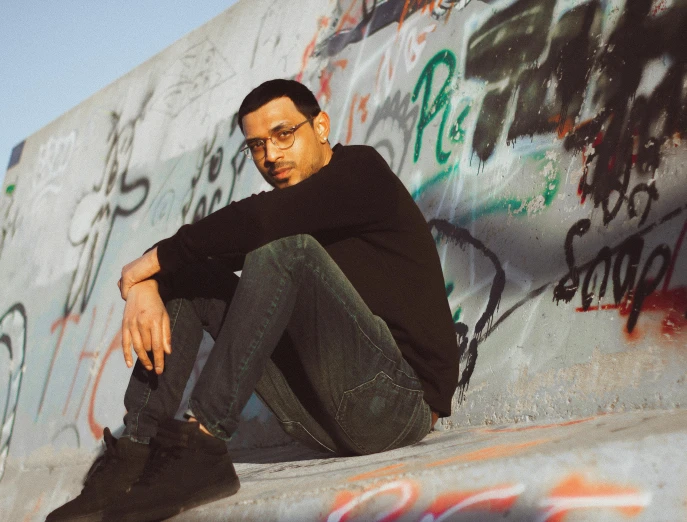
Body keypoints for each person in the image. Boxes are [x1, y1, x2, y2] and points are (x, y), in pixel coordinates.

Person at [47, 79, 458, 522]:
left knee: (286, 248)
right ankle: (133, 454)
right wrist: (148, 280)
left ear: (320, 126)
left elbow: (260, 222)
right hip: (319, 420)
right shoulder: (292, 206)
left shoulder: (362, 172)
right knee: (190, 274)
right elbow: (203, 247)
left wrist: (152, 263)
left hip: (397, 409)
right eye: (257, 145)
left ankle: (202, 445)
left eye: (284, 135)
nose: (271, 156)